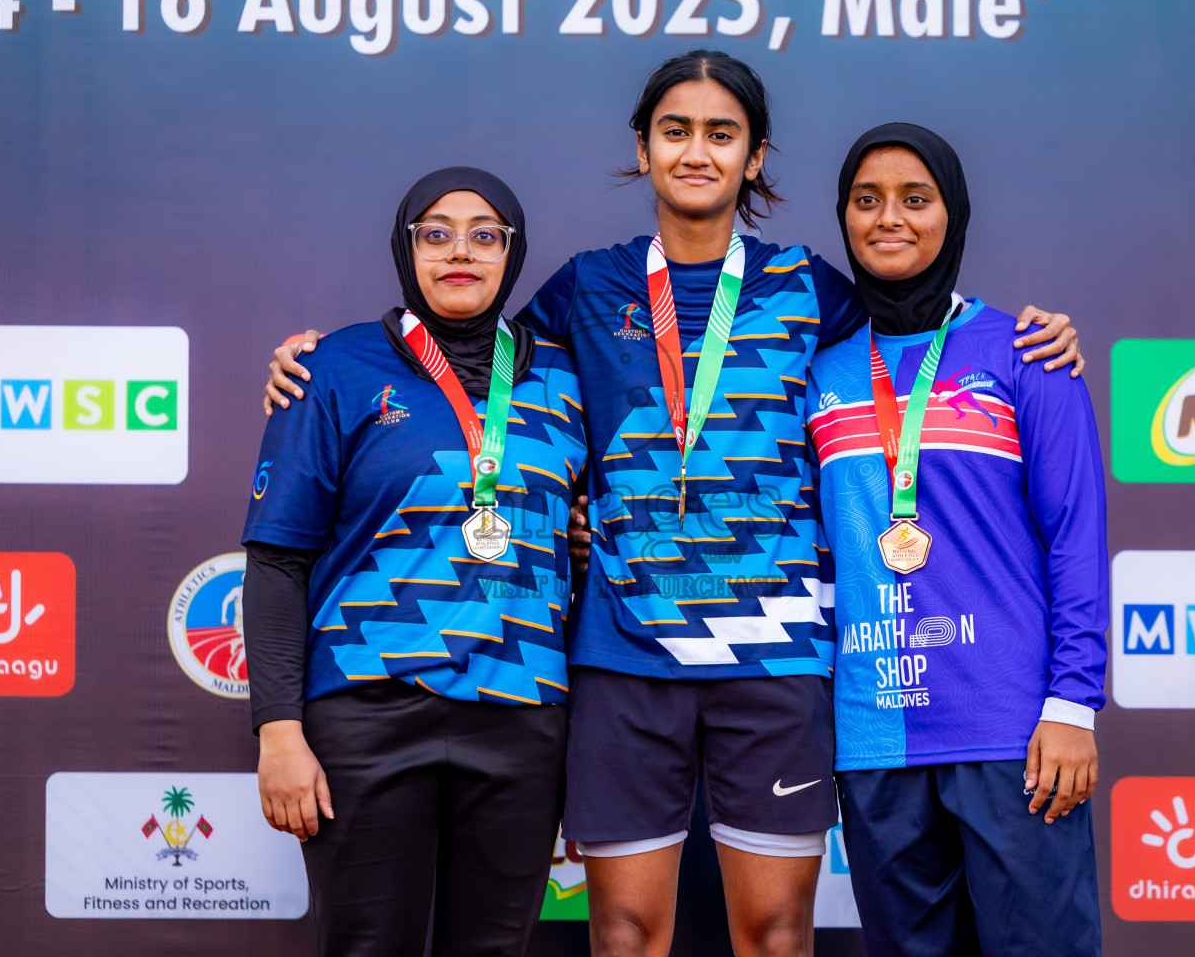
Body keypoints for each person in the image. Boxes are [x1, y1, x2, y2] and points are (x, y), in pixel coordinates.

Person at [263, 51, 1084, 957]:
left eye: (721, 134)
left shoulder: (810, 287)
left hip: (775, 659)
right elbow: (473, 362)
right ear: (643, 148)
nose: (697, 152)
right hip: (625, 657)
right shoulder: (586, 286)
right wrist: (328, 360)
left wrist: (1031, 336)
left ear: (755, 156)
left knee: (776, 934)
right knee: (623, 934)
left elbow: (916, 332)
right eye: (676, 131)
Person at [241, 167, 587, 957]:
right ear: (407, 250)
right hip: (368, 714)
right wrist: (278, 733)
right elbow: (277, 562)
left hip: (523, 716)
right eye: (436, 233)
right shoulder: (331, 368)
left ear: (512, 251)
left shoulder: (567, 377)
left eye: (484, 234)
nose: (460, 251)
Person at [805, 123, 1106, 956]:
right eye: (866, 200)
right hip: (873, 733)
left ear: (954, 213)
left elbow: (1076, 540)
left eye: (915, 198)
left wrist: (1072, 705)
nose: (889, 218)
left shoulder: (1026, 352)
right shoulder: (817, 371)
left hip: (1013, 732)